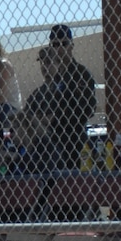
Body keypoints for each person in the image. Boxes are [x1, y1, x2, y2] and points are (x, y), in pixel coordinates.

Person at [13, 25, 97, 172]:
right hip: (43, 144)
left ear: (71, 45)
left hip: (72, 139)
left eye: (63, 44)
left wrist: (54, 118)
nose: (59, 48)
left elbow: (88, 109)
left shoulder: (81, 75)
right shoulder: (43, 89)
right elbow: (26, 117)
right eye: (55, 44)